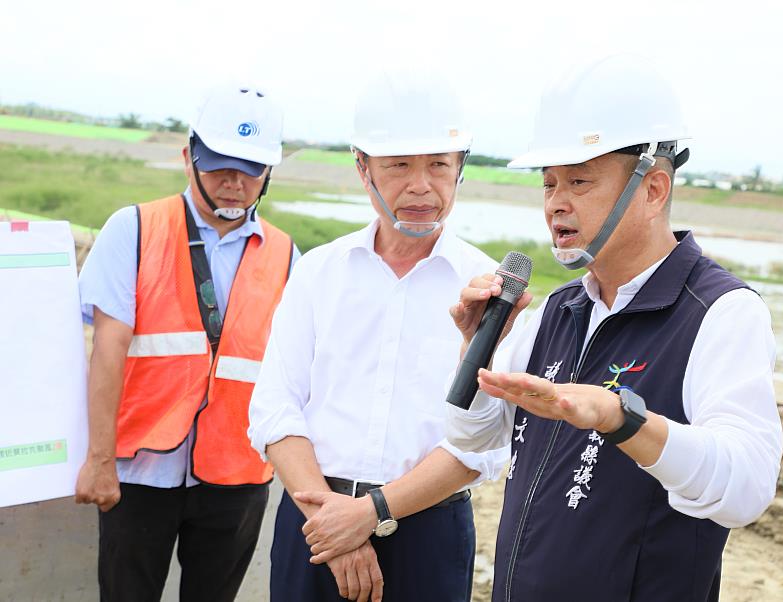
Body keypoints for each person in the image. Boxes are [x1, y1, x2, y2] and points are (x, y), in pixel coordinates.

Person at [446, 54, 783, 602]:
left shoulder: (721, 312)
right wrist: (474, 349)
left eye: (579, 181)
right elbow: (471, 438)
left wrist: (622, 419)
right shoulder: (554, 310)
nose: (557, 203)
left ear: (653, 190)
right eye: (549, 183)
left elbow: (745, 488)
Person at [248, 69, 509, 602]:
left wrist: (370, 513)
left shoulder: (488, 288)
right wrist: (336, 527)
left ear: (461, 169)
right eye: (398, 166)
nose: (421, 185)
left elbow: (481, 442)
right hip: (312, 524)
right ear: (362, 167)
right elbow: (276, 408)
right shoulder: (320, 272)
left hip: (427, 533)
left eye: (439, 165)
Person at [74, 83, 298, 602]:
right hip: (140, 471)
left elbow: (292, 374)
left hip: (236, 476)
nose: (234, 182)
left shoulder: (288, 257)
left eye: (250, 169)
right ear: (188, 157)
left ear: (267, 174)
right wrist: (101, 460)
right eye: (220, 163)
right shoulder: (133, 229)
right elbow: (106, 350)